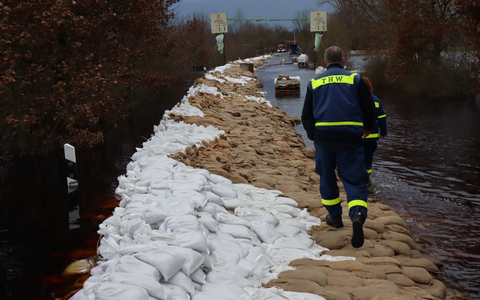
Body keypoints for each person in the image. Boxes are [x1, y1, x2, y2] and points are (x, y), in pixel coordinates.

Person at [301, 46, 376, 248]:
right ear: (343, 61)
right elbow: (369, 107)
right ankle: (358, 215)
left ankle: (335, 217)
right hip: (350, 137)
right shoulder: (355, 79)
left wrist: (313, 135)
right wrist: (367, 128)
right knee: (354, 178)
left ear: (325, 62)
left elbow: (306, 116)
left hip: (324, 139)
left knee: (326, 176)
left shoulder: (314, 82)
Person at [361, 77, 388, 178]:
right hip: (372, 136)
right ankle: (367, 179)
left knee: (355, 156)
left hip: (357, 135)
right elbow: (382, 117)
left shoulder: (353, 99)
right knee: (368, 158)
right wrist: (384, 132)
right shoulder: (376, 100)